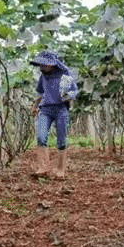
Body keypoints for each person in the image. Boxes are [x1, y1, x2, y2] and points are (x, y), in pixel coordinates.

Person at [30, 51, 78, 179]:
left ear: (52, 64)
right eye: (41, 65)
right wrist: (35, 106)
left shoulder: (65, 75)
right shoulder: (43, 76)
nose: (42, 67)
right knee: (41, 137)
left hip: (61, 109)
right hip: (45, 110)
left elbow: (74, 90)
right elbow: (40, 93)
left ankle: (60, 170)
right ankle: (43, 168)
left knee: (61, 140)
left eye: (44, 65)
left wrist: (68, 96)